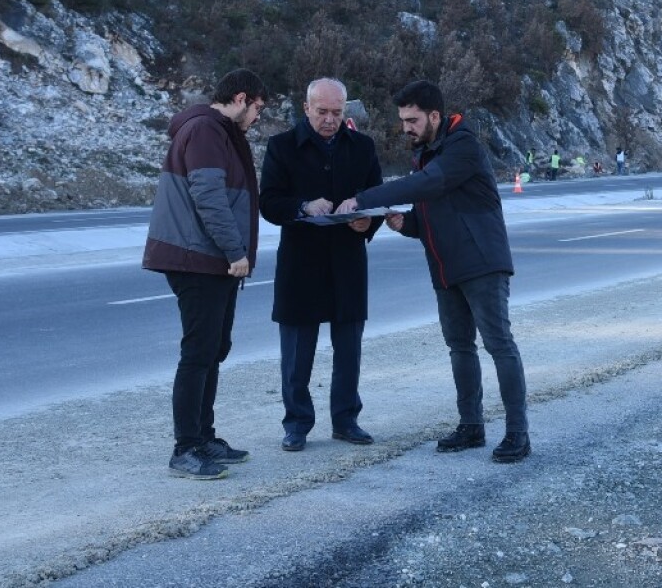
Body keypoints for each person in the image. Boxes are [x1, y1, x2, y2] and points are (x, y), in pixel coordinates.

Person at [335, 80, 530, 463]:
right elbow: (434, 211)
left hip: (481, 263)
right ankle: (471, 426)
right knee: (459, 348)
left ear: (435, 116)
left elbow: (428, 185)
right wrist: (404, 224)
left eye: (412, 119)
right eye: (403, 120)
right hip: (445, 266)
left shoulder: (463, 146)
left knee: (499, 345)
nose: (405, 127)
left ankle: (518, 434)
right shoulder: (426, 150)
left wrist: (363, 198)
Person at [143, 68, 268, 480]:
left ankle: (204, 438)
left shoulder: (218, 132)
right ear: (241, 98)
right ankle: (185, 448)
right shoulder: (206, 130)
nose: (257, 118)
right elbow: (209, 195)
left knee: (214, 348)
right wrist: (235, 251)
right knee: (199, 352)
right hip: (197, 258)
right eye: (257, 109)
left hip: (210, 259)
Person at [259, 78, 384, 453]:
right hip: (301, 264)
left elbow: (376, 194)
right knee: (297, 353)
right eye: (322, 112)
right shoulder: (281, 146)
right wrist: (302, 206)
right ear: (307, 107)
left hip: (347, 261)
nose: (330, 120)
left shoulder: (362, 146)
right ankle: (297, 423)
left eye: (337, 113)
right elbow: (268, 201)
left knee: (349, 349)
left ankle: (346, 420)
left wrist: (366, 220)